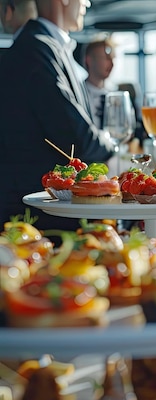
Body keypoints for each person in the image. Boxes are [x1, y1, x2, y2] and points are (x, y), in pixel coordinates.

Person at [0, 0, 114, 232]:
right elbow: (77, 138)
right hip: (40, 215)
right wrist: (112, 142)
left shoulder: (47, 46)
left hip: (50, 208)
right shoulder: (35, 48)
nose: (87, 3)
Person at [84, 37, 115, 129]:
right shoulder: (75, 95)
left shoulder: (116, 96)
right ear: (89, 60)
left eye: (113, 58)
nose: (112, 64)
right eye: (106, 58)